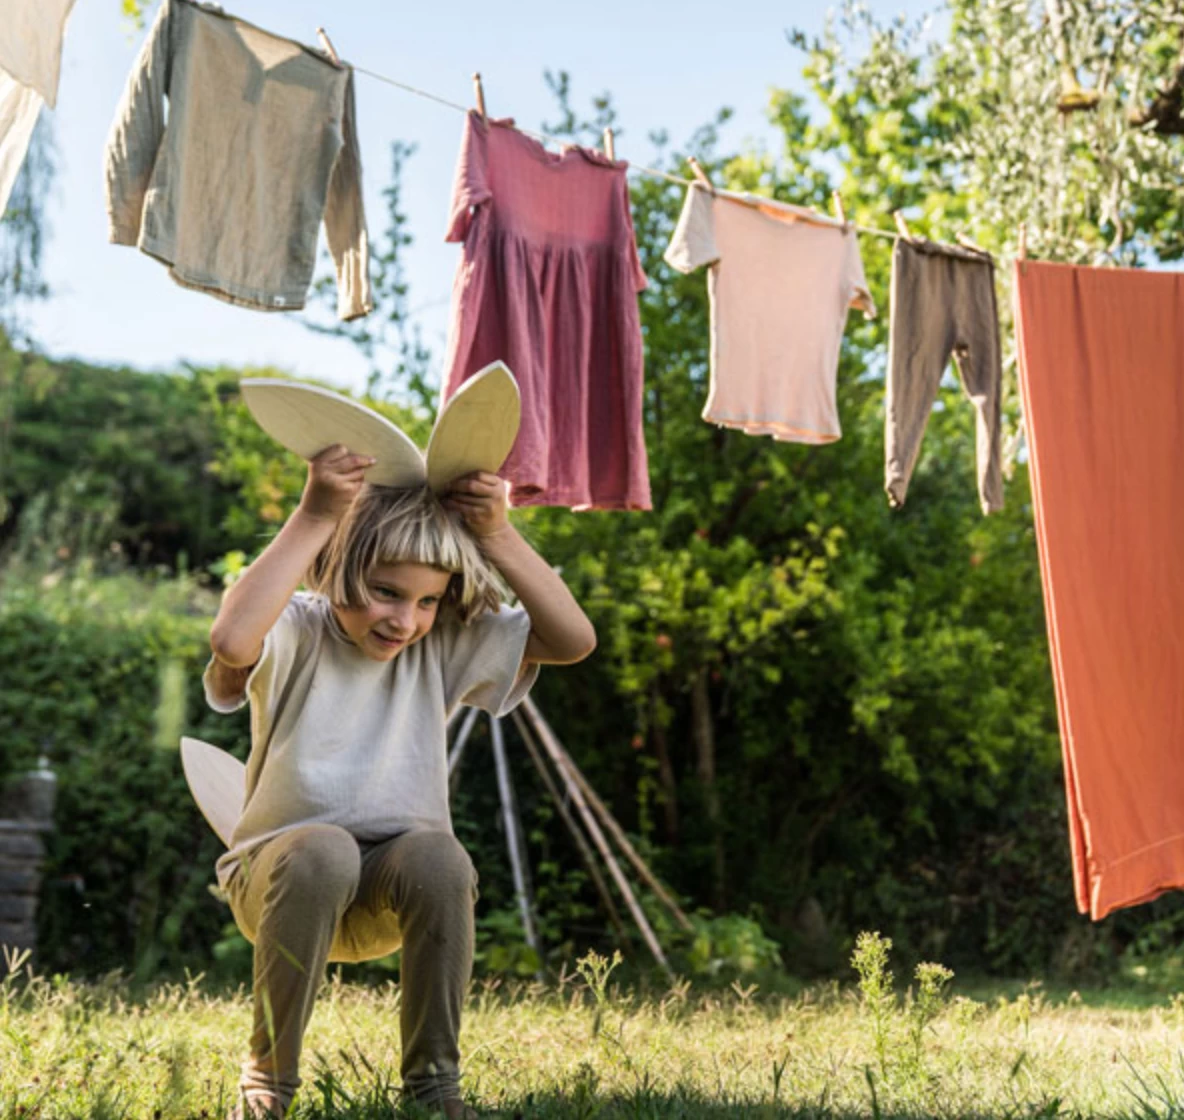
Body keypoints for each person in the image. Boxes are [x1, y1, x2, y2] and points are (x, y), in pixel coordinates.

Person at [203, 444, 597, 1120]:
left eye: (427, 600)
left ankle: (434, 1086)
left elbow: (573, 640)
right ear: (340, 567)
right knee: (323, 849)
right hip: (279, 882)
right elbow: (232, 642)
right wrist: (315, 514)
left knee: (441, 857)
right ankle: (267, 1081)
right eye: (386, 592)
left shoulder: (439, 643)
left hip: (387, 892)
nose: (404, 620)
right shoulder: (298, 628)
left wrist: (498, 533)